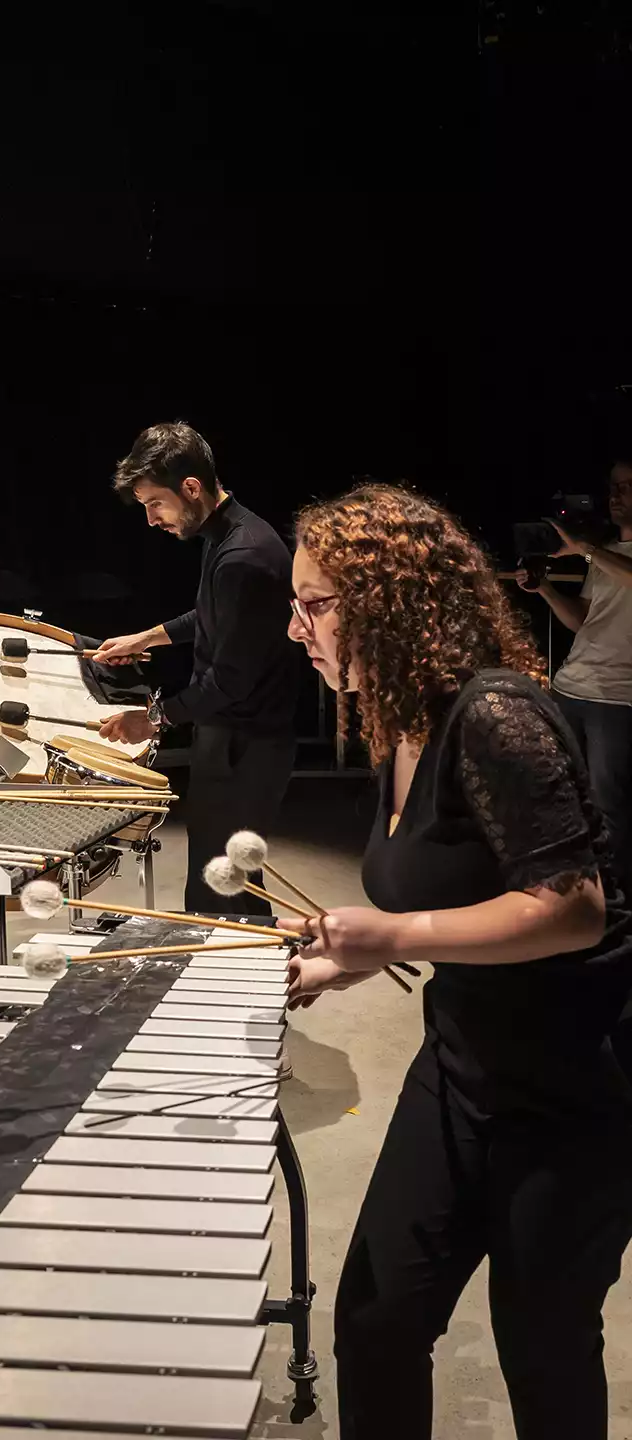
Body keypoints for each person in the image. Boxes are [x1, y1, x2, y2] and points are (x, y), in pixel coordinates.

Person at [287, 483, 632, 1440]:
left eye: (314, 603)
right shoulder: (398, 725)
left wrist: (390, 938)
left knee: (543, 1341)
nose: (295, 627)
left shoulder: (496, 713)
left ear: (393, 600)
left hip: (577, 1088)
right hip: (462, 1068)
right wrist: (336, 967)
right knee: (375, 1321)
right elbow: (448, 896)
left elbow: (572, 911)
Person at [92, 421, 297, 915]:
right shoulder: (225, 533)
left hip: (247, 743)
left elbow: (229, 680)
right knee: (228, 875)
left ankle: (237, 980)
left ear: (191, 487)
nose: (151, 520)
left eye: (154, 504)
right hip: (232, 734)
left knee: (221, 882)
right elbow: (211, 614)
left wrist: (152, 717)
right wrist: (149, 636)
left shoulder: (243, 554)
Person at [516, 460, 632, 899]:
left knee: (610, 808)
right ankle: (568, 893)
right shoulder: (604, 555)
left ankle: (611, 902)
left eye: (627, 487)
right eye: (613, 487)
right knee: (562, 795)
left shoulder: (600, 554)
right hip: (572, 686)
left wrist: (587, 550)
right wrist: (544, 588)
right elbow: (584, 619)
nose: (616, 496)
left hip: (618, 697)